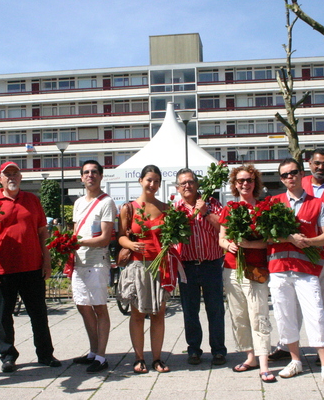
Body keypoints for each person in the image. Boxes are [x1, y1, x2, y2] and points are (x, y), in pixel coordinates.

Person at [269, 148, 324, 365]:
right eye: (317, 163)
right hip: (299, 254)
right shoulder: (299, 182)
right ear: (309, 165)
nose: (321, 167)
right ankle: (286, 345)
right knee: (291, 302)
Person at [0, 161, 60, 374]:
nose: (12, 178)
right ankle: (8, 356)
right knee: (4, 316)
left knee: (39, 313)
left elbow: (43, 233)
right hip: (3, 269)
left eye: (15, 173)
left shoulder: (32, 201)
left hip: (32, 267)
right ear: (0, 179)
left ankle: (45, 354)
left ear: (21, 177)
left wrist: (47, 261)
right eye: (7, 174)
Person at [267, 158, 324, 387]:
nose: (290, 177)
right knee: (284, 315)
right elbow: (266, 237)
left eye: (293, 172)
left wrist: (308, 241)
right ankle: (295, 360)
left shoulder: (317, 204)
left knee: (316, 314)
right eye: (285, 174)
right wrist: (289, 238)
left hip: (306, 270)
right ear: (281, 179)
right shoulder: (274, 203)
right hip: (279, 269)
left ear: (301, 174)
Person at [218, 164, 274, 382]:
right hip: (232, 269)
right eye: (240, 180)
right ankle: (250, 356)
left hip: (255, 269)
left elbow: (269, 241)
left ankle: (264, 363)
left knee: (258, 314)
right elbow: (221, 238)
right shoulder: (229, 208)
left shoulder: (263, 207)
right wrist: (227, 245)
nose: (244, 184)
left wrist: (247, 245)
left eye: (249, 180)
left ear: (255, 183)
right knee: (239, 315)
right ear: (234, 184)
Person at [117, 165, 172, 374]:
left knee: (159, 313)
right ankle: (139, 358)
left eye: (156, 181)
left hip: (159, 266)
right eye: (149, 179)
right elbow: (120, 235)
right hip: (137, 265)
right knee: (137, 314)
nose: (152, 184)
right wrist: (130, 245)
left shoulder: (166, 209)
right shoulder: (128, 208)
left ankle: (157, 358)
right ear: (140, 180)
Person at [174, 168, 226, 366]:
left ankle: (219, 350)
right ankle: (194, 349)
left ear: (197, 184)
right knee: (190, 310)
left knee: (215, 310)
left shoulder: (211, 203)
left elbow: (223, 226)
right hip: (187, 266)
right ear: (178, 188)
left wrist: (206, 213)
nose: (187, 186)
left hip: (211, 264)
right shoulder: (175, 209)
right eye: (183, 183)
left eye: (191, 182)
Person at [70, 160, 117, 373]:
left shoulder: (106, 202)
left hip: (97, 263)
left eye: (94, 172)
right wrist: (67, 247)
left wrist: (77, 242)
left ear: (101, 176)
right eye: (86, 172)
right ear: (81, 177)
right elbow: (74, 232)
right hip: (78, 263)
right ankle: (92, 350)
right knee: (82, 306)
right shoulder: (78, 203)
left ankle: (102, 355)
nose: (90, 175)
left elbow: (105, 238)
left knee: (99, 307)